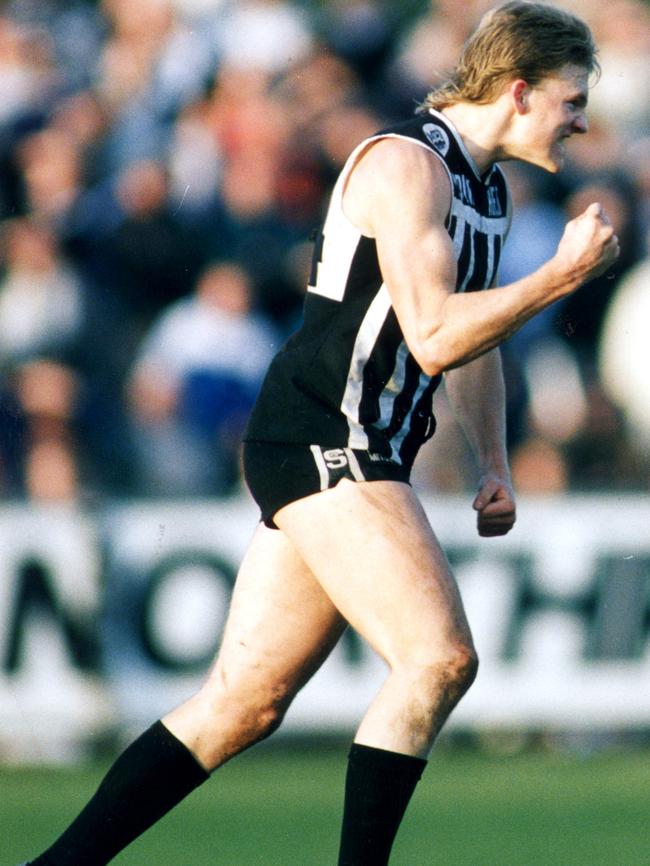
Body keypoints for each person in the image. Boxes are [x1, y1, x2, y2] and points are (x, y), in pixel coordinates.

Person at [19, 3, 619, 865]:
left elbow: (472, 342)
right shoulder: (407, 165)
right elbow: (437, 334)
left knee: (244, 704)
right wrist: (559, 275)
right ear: (518, 91)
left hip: (352, 444)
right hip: (327, 435)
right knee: (438, 659)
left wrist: (492, 458)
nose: (581, 119)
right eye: (570, 98)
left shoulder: (484, 185)